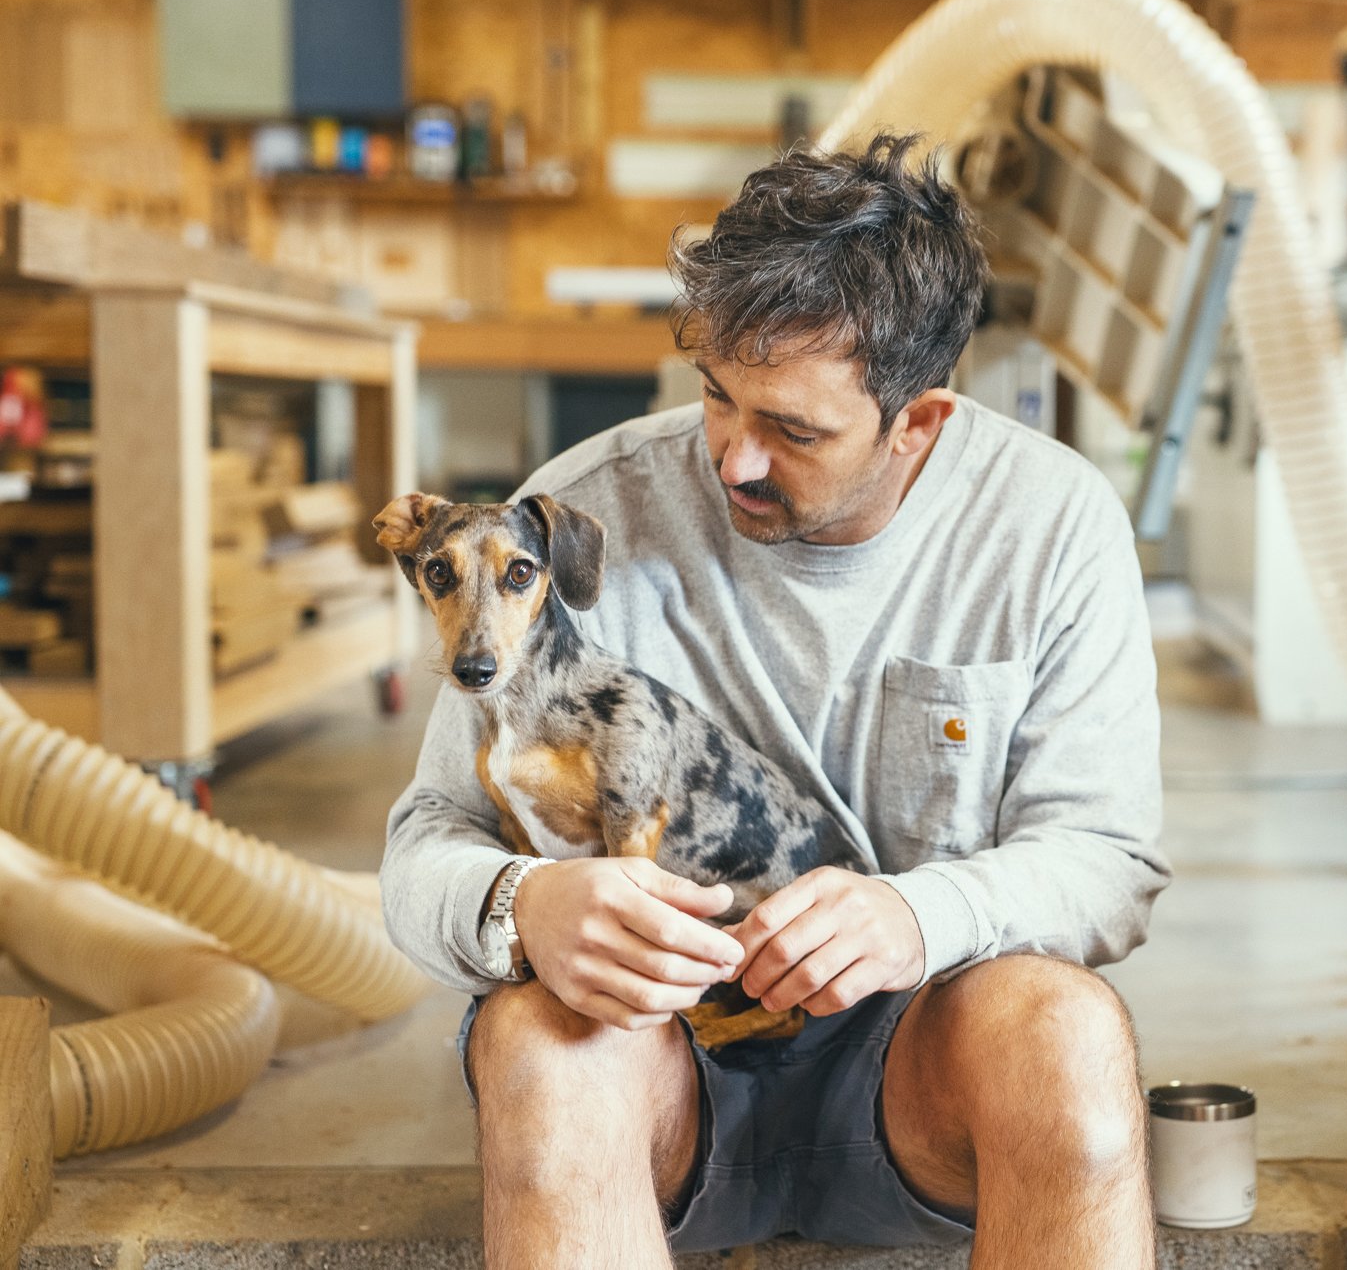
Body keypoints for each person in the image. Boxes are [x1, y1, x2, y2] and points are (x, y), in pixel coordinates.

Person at [382, 131, 1170, 1269]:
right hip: (653, 1062)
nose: (734, 462)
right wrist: (522, 902)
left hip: (919, 1051)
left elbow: (1108, 860)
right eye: (717, 398)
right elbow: (423, 844)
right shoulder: (566, 525)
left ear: (919, 422)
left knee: (1070, 1038)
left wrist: (918, 914)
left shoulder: (1049, 526)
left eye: (794, 430)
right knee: (539, 1051)